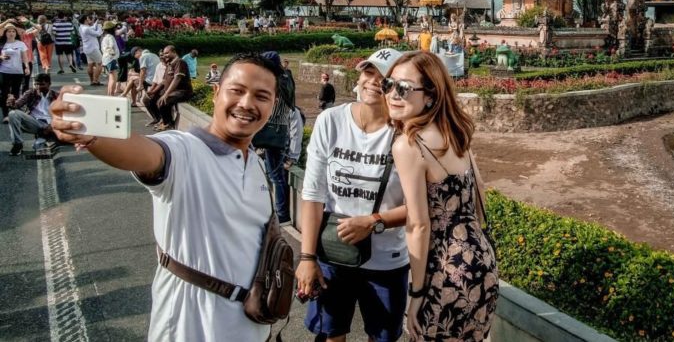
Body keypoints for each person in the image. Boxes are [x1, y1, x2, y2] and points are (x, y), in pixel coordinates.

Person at [48, 52, 283, 341]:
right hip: (190, 329)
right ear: (216, 93)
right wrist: (91, 135)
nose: (247, 104)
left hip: (251, 326)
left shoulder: (257, 165)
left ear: (272, 107)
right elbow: (145, 153)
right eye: (237, 91)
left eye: (261, 96)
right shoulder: (184, 149)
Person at [296, 48, 409, 342]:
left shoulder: (407, 132)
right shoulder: (330, 121)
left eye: (385, 77)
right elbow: (313, 193)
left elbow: (421, 207)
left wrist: (373, 221)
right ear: (358, 77)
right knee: (332, 333)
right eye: (368, 72)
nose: (374, 81)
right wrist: (307, 257)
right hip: (334, 255)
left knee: (382, 336)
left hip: (387, 259)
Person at [387, 51, 498, 341]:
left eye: (403, 88)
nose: (392, 95)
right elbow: (479, 195)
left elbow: (419, 225)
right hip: (482, 263)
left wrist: (417, 293)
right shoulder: (456, 132)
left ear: (430, 96)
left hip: (446, 271)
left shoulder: (409, 146)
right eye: (389, 85)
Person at [252, 51, 295, 224]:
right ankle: (280, 212)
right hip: (280, 130)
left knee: (276, 176)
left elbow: (271, 105)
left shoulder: (275, 81)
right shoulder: (286, 77)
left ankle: (282, 215)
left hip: (272, 131)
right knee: (275, 173)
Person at [7, 73, 58, 155]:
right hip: (34, 122)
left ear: (49, 84)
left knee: (39, 147)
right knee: (13, 114)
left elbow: (63, 116)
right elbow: (18, 104)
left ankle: (43, 138)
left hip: (49, 125)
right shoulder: (31, 93)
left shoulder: (56, 96)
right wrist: (12, 103)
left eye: (41, 84)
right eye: (36, 84)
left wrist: (52, 126)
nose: (38, 87)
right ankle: (17, 144)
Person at [144, 46, 192, 131]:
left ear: (173, 52)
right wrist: (153, 91)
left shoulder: (179, 62)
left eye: (167, 53)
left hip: (181, 91)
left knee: (162, 101)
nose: (164, 55)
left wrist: (166, 94)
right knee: (149, 99)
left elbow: (177, 79)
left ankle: (168, 124)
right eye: (164, 53)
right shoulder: (169, 64)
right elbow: (163, 81)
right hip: (170, 91)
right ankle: (159, 119)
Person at [0, 24, 30, 121]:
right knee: (4, 93)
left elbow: (25, 57)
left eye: (13, 31)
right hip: (4, 71)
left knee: (15, 93)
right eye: (9, 31)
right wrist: (1, 57)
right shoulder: (2, 44)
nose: (11, 33)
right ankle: (5, 115)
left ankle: (13, 114)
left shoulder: (20, 44)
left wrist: (27, 67)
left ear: (16, 33)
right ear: (5, 33)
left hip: (17, 71)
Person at [78, 15, 103, 86]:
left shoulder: (81, 27)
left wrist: (96, 23)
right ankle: (95, 80)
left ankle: (92, 81)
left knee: (90, 64)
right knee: (100, 63)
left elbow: (91, 28)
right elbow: (98, 33)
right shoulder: (86, 29)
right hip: (93, 48)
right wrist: (99, 25)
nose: (90, 19)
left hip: (87, 48)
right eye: (88, 18)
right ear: (85, 20)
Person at [101, 21, 120, 96]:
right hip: (111, 59)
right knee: (114, 78)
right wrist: (113, 54)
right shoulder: (111, 37)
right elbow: (111, 46)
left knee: (110, 78)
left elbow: (103, 49)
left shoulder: (104, 37)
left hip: (106, 59)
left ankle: (109, 95)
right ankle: (111, 95)